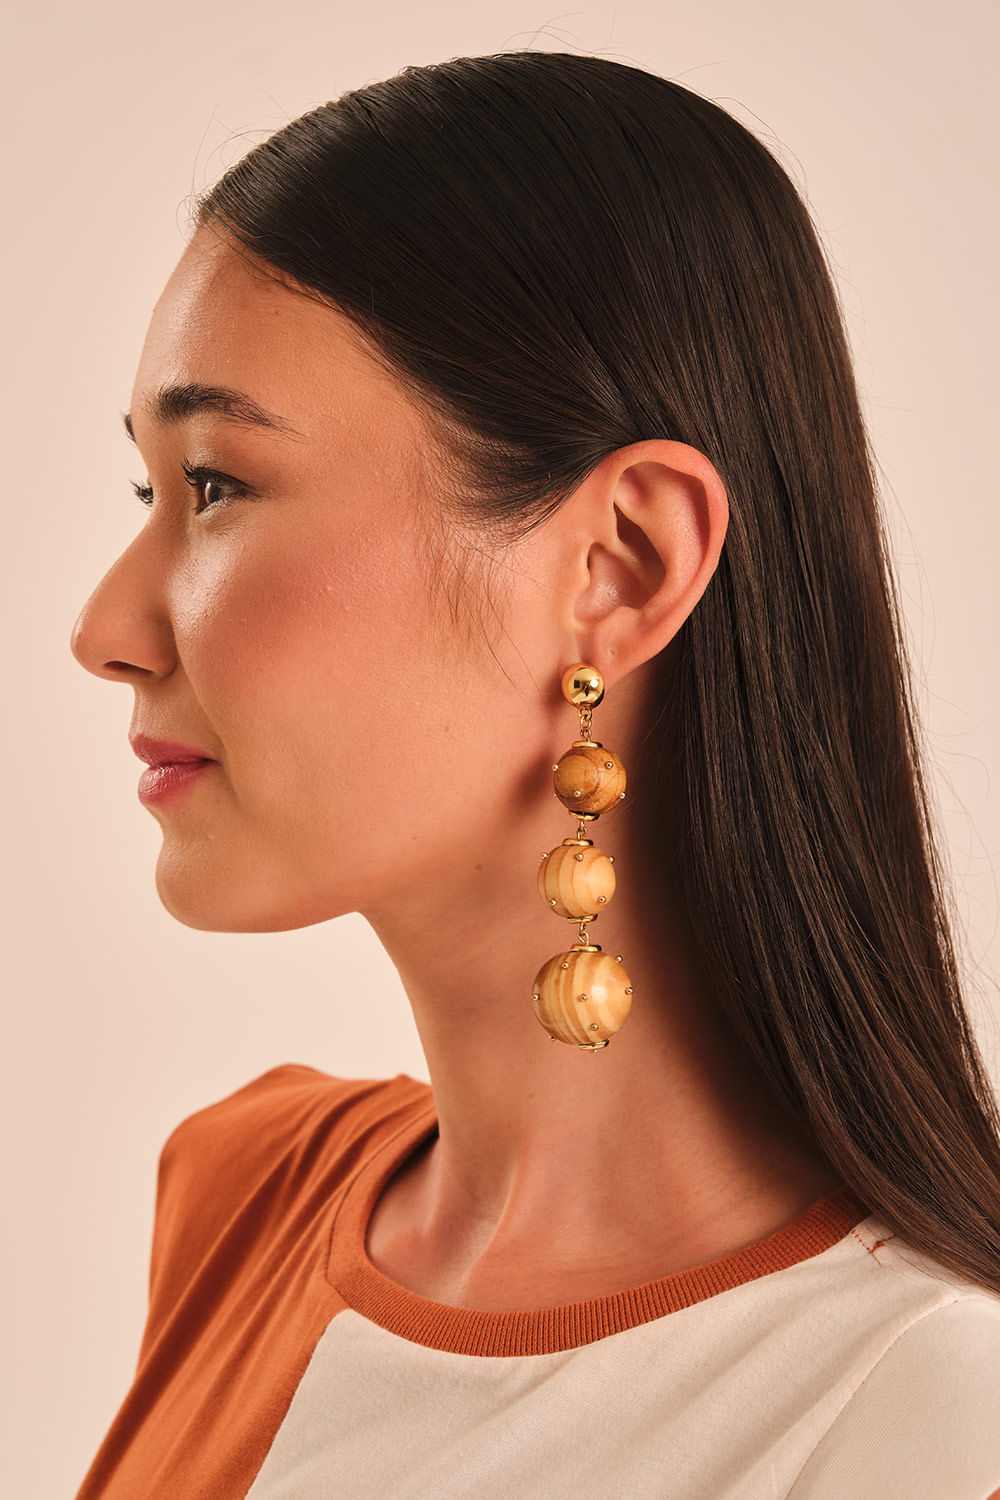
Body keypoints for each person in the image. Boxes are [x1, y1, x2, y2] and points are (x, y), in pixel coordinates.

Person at [68, 49, 1000, 1500]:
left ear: (620, 565)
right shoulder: (240, 1193)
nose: (104, 629)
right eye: (151, 487)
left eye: (217, 486)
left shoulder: (917, 1413)